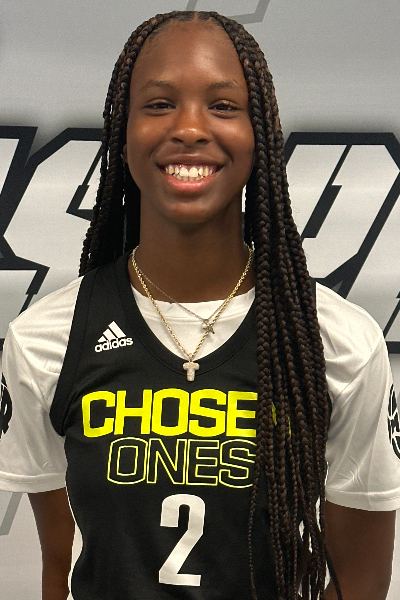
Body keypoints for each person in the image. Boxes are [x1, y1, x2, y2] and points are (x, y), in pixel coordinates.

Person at [0, 10, 399, 600]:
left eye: (223, 106)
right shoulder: (45, 339)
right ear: (123, 133)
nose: (189, 127)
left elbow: (360, 581)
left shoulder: (338, 344)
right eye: (159, 104)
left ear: (259, 134)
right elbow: (60, 567)